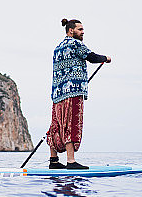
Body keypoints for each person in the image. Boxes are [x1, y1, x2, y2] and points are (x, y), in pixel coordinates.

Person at [47, 18, 111, 169]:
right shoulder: (75, 44)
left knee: (56, 124)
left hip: (57, 93)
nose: (83, 32)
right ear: (71, 31)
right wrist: (106, 58)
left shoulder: (57, 48)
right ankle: (71, 161)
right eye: (80, 29)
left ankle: (53, 161)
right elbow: (92, 57)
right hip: (73, 90)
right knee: (71, 123)